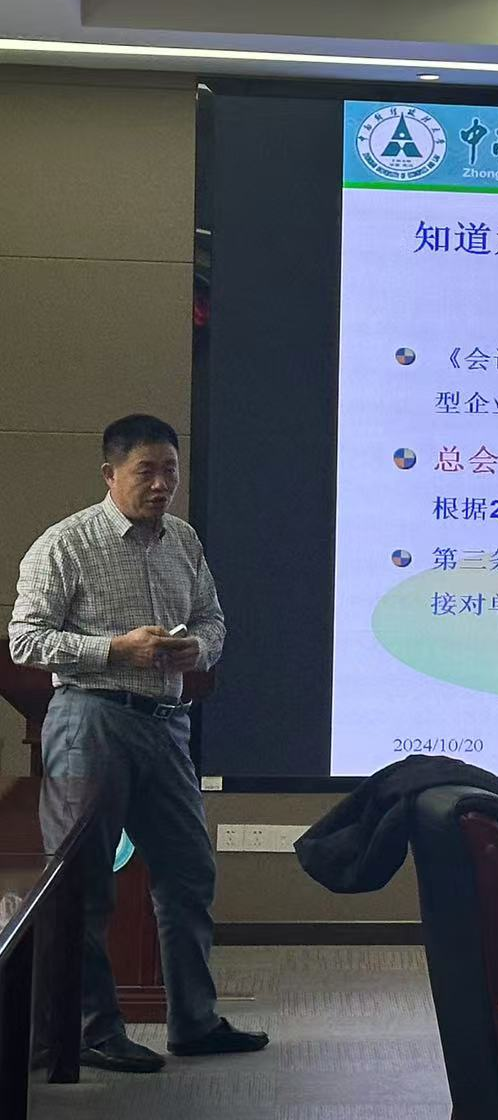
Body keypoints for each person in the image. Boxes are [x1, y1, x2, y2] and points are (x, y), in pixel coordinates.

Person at [8, 414, 268, 1072]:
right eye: (145, 472)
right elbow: (25, 640)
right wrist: (116, 649)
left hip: (167, 723)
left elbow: (212, 619)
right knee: (85, 886)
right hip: (91, 719)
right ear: (110, 474)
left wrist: (196, 648)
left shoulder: (183, 540)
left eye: (169, 472)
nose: (160, 485)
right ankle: (93, 1032)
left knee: (189, 874)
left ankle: (194, 1022)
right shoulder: (65, 544)